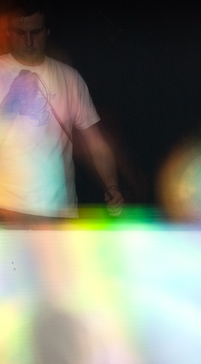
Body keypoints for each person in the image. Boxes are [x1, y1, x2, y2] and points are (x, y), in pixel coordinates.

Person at [0, 2, 123, 221]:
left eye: (36, 32)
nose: (28, 41)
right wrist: (10, 101)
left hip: (60, 211)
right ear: (8, 32)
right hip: (7, 211)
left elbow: (96, 144)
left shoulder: (70, 78)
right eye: (20, 33)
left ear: (47, 31)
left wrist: (112, 185)